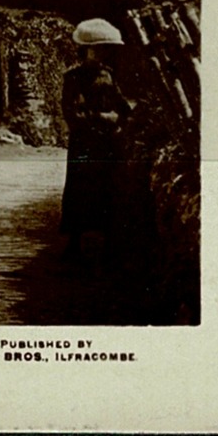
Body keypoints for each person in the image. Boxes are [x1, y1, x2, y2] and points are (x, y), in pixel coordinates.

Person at [60, 18, 131, 261]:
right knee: (79, 190)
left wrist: (121, 118)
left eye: (104, 49)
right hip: (84, 141)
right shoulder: (73, 78)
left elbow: (121, 105)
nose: (100, 54)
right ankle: (74, 241)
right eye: (95, 49)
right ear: (84, 50)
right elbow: (70, 110)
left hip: (107, 142)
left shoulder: (109, 76)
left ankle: (110, 240)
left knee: (108, 188)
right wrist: (98, 119)